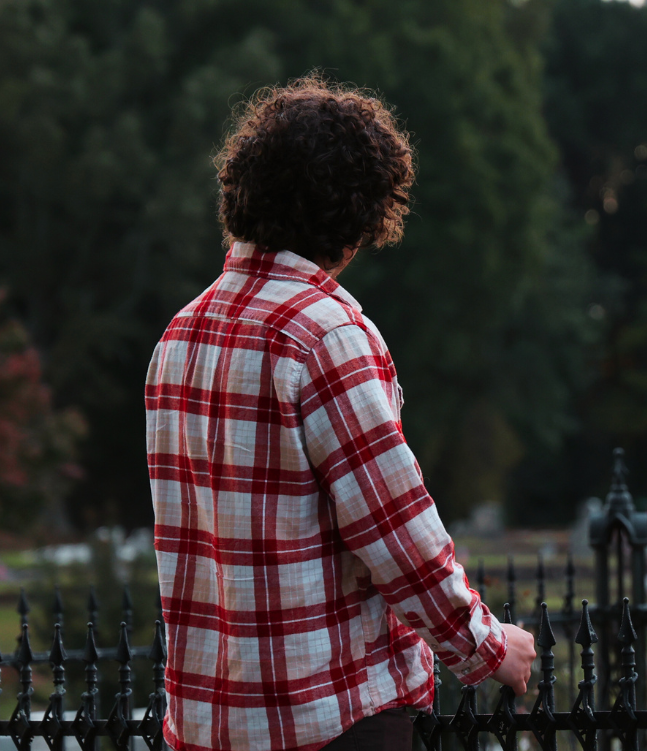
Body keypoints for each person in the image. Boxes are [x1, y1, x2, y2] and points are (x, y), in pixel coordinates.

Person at [145, 76, 535, 751]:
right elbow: (395, 528)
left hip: (209, 723)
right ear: (357, 218)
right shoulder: (325, 335)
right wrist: (488, 645)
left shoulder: (179, 336)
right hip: (329, 719)